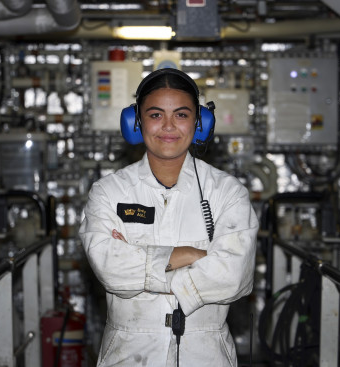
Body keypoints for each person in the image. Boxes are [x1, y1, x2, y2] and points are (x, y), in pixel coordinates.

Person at [78, 68, 258, 366]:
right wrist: (188, 255)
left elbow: (234, 275)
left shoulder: (227, 192)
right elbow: (110, 267)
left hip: (206, 352)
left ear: (200, 122)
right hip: (129, 352)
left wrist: (142, 266)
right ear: (136, 122)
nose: (169, 127)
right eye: (156, 115)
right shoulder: (109, 192)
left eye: (182, 115)